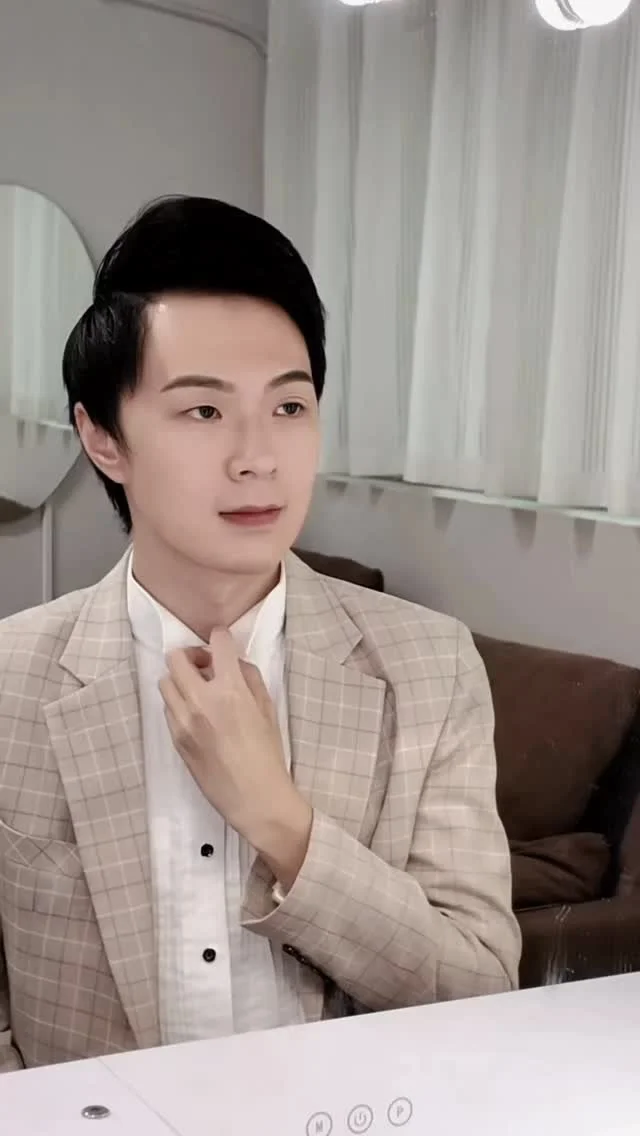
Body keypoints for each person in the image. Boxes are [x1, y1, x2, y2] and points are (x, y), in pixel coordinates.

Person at [0, 196, 520, 1073]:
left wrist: (280, 820)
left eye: (288, 407)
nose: (258, 458)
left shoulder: (431, 667)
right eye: (204, 412)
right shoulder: (10, 680)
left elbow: (479, 989)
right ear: (103, 437)